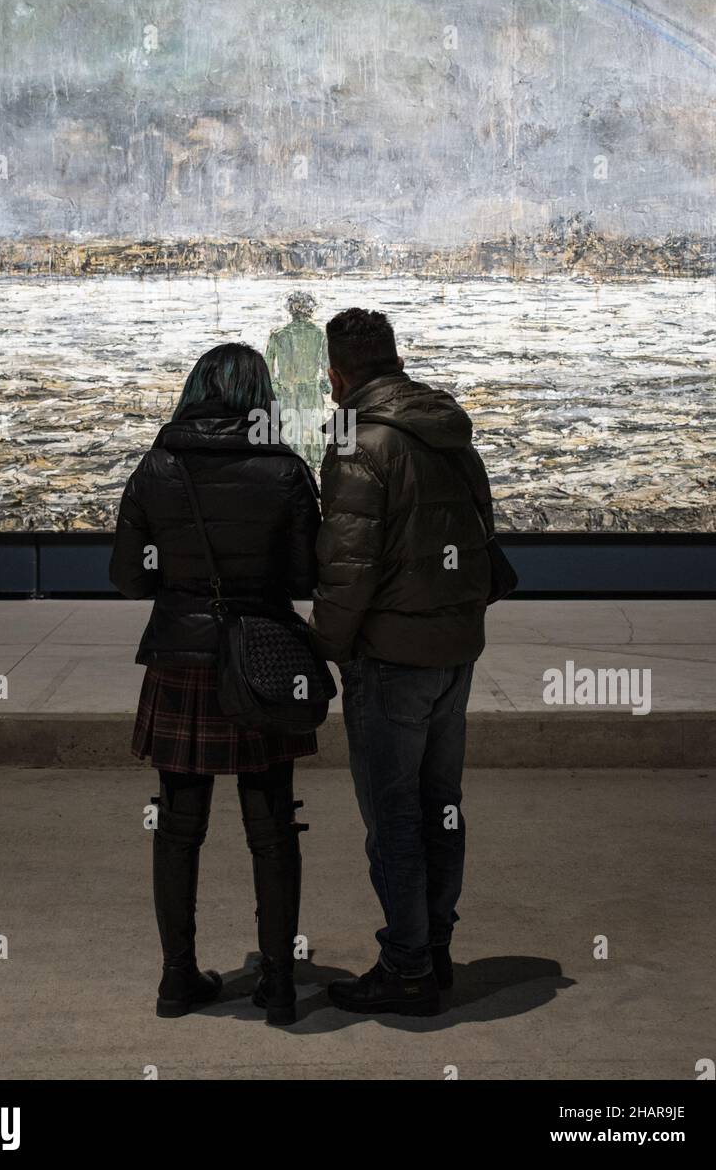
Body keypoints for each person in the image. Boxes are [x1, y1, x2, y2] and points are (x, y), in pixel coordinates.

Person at [109, 342, 321, 1025]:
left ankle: (177, 982)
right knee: (273, 826)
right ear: (260, 394)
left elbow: (128, 576)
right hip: (261, 661)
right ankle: (282, 986)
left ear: (196, 389)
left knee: (176, 827)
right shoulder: (286, 471)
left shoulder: (156, 467)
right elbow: (300, 579)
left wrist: (180, 583)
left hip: (182, 659)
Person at [308, 308, 494, 1017]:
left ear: (338, 373)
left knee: (393, 817)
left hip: (390, 659)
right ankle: (436, 950)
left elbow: (347, 565)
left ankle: (407, 967)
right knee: (440, 807)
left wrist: (328, 643)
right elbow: (481, 530)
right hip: (454, 651)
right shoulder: (447, 428)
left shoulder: (361, 439)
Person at [264, 291, 330, 468]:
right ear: (310, 310)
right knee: (312, 441)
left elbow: (267, 369)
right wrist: (325, 386)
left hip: (286, 392)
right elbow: (326, 369)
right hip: (311, 393)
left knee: (288, 438)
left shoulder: (277, 335)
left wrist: (274, 387)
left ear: (290, 310)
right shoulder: (320, 335)